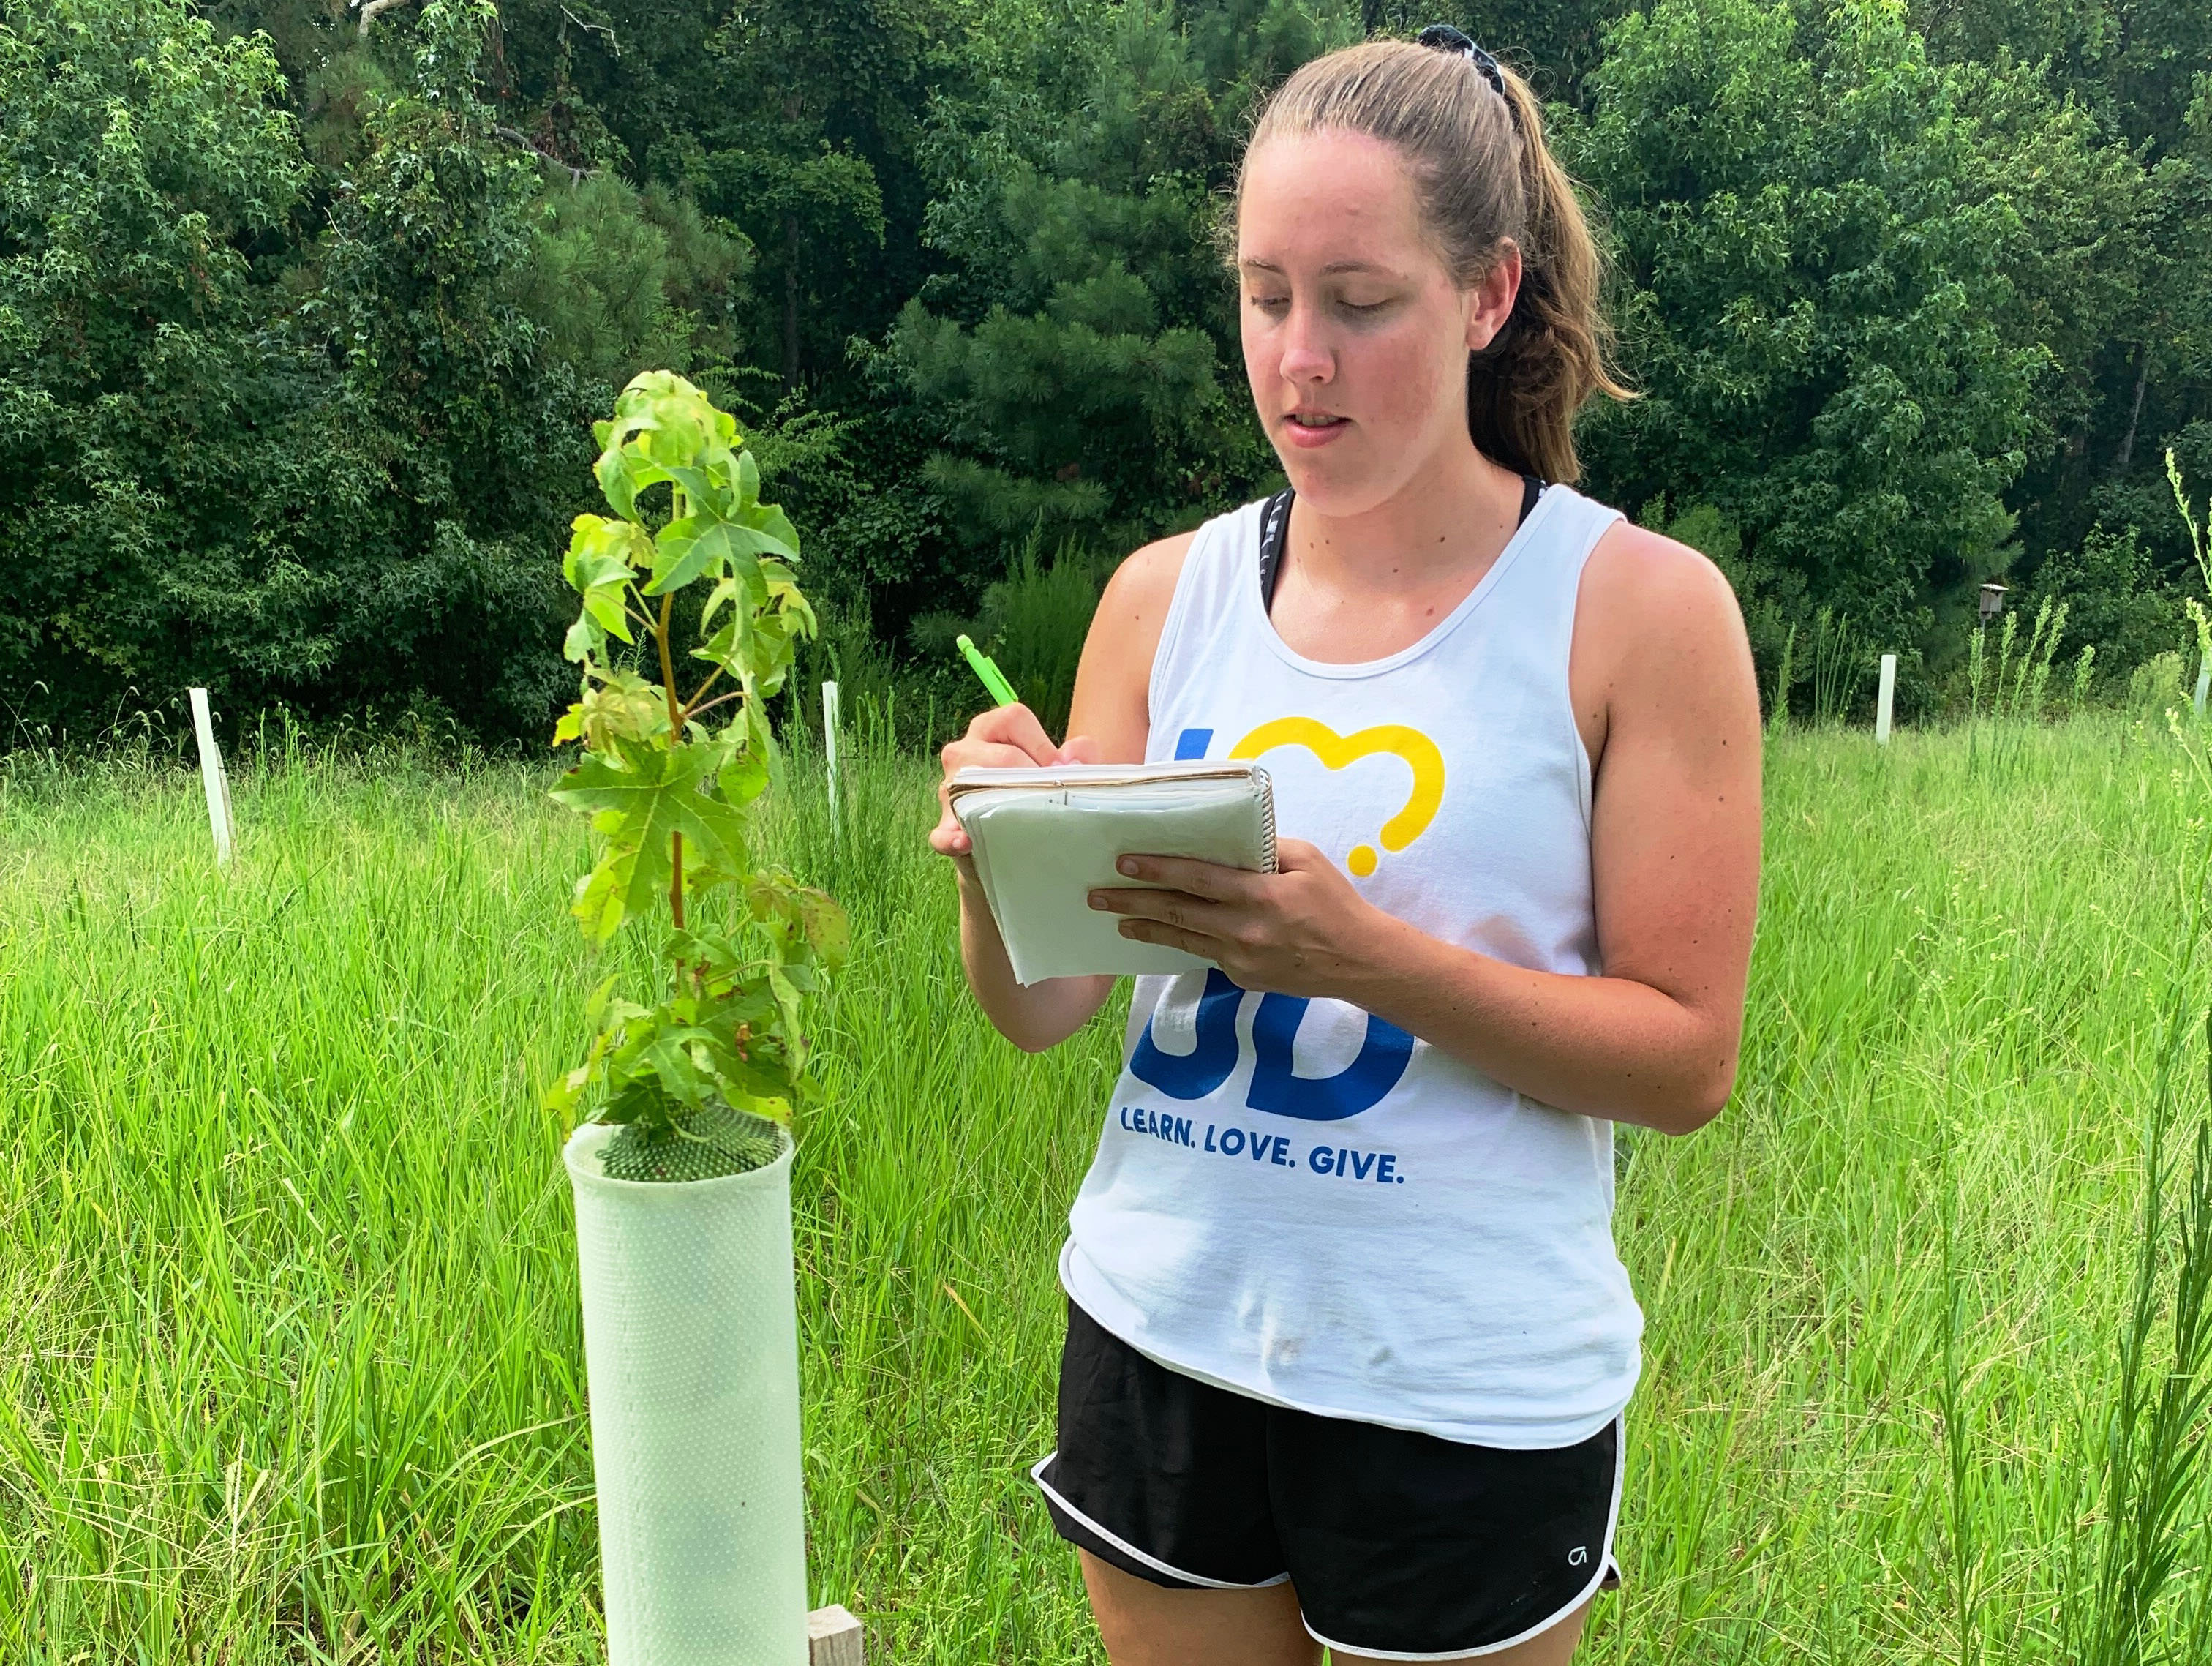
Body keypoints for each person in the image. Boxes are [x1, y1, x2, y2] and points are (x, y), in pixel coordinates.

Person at [929, 28, 1760, 1665]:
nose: (1300, 359)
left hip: (1462, 1385)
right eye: (1264, 294)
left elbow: (1684, 1060)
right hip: (1161, 1327)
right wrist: (996, 864)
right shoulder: (1164, 596)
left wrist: (1357, 955)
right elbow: (1045, 1007)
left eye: (1361, 301)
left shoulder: (1638, 613)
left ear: (1489, 294)